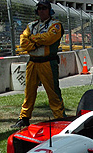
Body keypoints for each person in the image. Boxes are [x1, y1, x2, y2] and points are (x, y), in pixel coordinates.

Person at [11, 0, 65, 128]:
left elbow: (49, 38)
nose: (41, 10)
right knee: (29, 92)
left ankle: (60, 118)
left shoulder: (56, 25)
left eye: (44, 8)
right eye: (39, 8)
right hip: (32, 62)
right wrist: (38, 42)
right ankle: (24, 117)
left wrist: (33, 40)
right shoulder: (31, 25)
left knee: (53, 92)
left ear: (49, 10)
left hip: (48, 63)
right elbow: (23, 42)